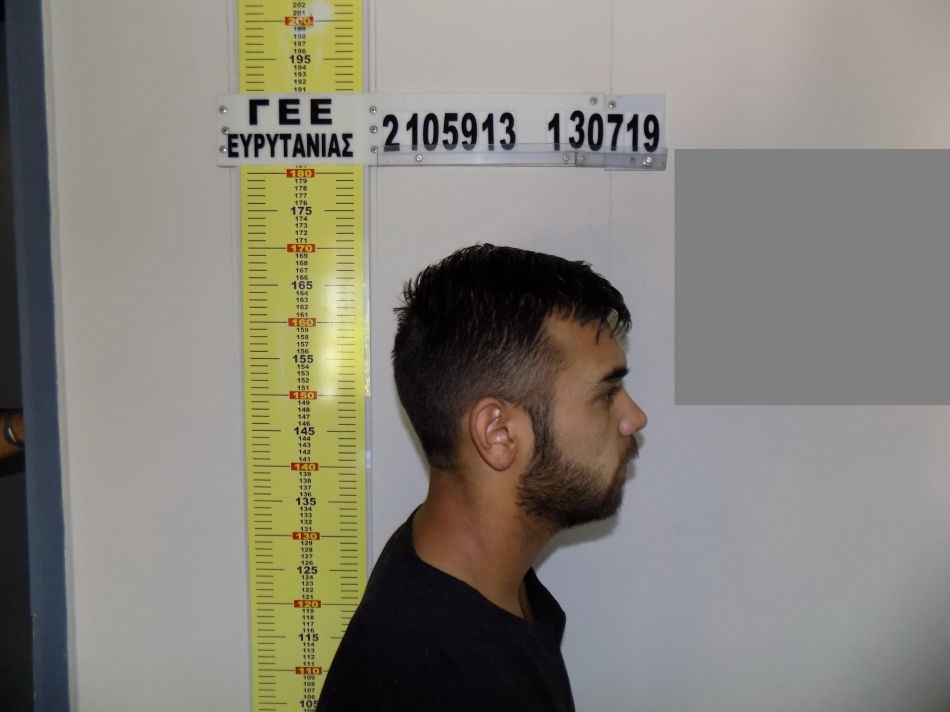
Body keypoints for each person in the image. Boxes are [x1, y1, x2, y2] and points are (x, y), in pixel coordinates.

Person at [317, 244, 647, 711]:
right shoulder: (418, 682)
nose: (634, 418)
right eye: (607, 393)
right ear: (498, 433)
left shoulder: (483, 579)